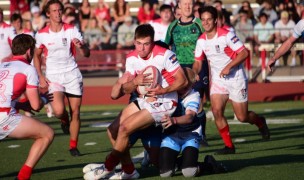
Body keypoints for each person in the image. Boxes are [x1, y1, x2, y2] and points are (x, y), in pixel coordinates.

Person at [83, 24, 187, 179]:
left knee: (125, 129)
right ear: (134, 42)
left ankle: (107, 166)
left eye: (146, 44)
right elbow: (125, 89)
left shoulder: (165, 55)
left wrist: (162, 90)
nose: (142, 48)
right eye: (139, 43)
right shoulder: (131, 57)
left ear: (152, 43)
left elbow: (183, 81)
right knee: (113, 129)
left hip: (165, 102)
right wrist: (135, 81)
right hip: (144, 100)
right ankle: (130, 170)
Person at [195, 6, 270, 155]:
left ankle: (260, 122)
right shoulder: (201, 41)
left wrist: (229, 66)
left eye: (209, 19)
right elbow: (198, 62)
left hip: (236, 78)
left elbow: (244, 53)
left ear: (215, 20)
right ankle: (229, 146)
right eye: (203, 20)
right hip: (218, 80)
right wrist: (193, 72)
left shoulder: (226, 35)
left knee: (242, 117)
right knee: (216, 111)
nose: (206, 22)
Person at [34, 0, 90, 157]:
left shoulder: (72, 29)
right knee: (59, 111)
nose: (58, 13)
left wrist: (82, 47)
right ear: (48, 13)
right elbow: (36, 56)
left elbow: (86, 53)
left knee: (76, 112)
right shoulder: (42, 34)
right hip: (53, 76)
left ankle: (73, 146)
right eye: (54, 10)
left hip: (72, 75)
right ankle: (64, 121)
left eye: (59, 10)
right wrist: (40, 75)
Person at [0, 34, 54, 180]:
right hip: (3, 116)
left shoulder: (1, 65)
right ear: (29, 51)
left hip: (4, 110)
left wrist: (20, 104)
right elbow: (36, 105)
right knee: (47, 134)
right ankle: (23, 177)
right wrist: (43, 98)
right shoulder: (28, 69)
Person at [159, 67, 227, 177]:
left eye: (185, 86)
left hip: (190, 134)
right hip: (171, 135)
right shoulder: (169, 91)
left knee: (189, 172)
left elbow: (189, 117)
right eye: (180, 84)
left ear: (191, 85)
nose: (181, 89)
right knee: (165, 173)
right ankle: (181, 161)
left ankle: (208, 164)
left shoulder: (193, 96)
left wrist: (173, 120)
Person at [165, 0, 208, 146]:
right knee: (178, 101)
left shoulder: (200, 24)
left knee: (198, 103)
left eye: (190, 3)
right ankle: (179, 132)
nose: (187, 6)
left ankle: (201, 134)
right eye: (184, 4)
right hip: (179, 68)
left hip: (197, 65)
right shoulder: (172, 26)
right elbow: (166, 47)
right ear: (179, 7)